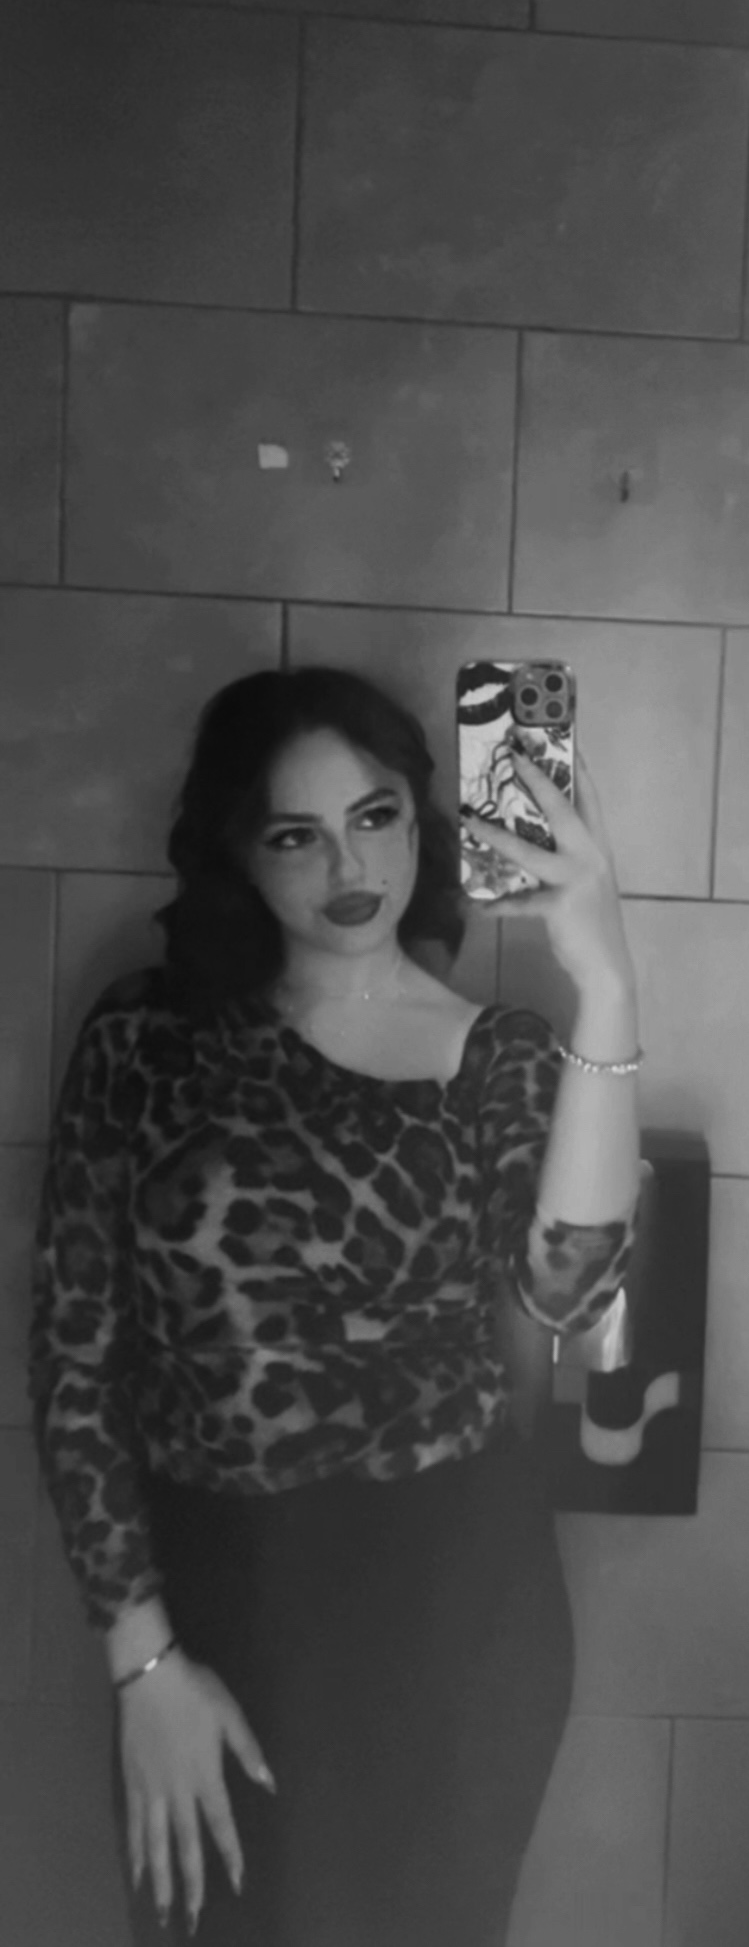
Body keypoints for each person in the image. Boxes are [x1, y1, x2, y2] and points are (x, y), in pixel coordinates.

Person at [28, 665, 641, 1947]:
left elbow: (568, 1284)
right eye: (294, 834)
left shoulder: (493, 1050)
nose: (348, 866)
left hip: (457, 1602)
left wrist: (606, 981)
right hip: (215, 1590)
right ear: (235, 851)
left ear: (421, 819)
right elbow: (76, 1362)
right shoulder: (144, 1039)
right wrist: (143, 1663)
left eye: (374, 816)